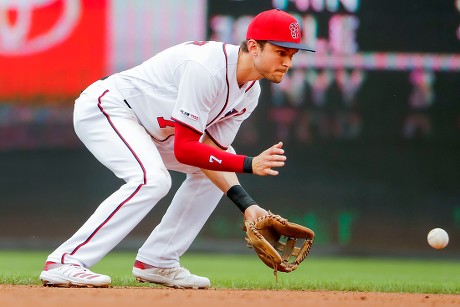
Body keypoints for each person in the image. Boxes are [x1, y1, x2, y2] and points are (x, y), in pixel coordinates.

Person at [39, 8, 314, 289]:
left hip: (154, 131)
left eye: (292, 55)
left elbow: (209, 153)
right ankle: (65, 261)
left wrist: (248, 205)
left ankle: (159, 260)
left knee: (221, 159)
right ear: (254, 47)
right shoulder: (208, 68)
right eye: (281, 52)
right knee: (152, 180)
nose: (287, 62)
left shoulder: (250, 92)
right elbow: (185, 150)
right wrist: (249, 164)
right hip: (110, 108)